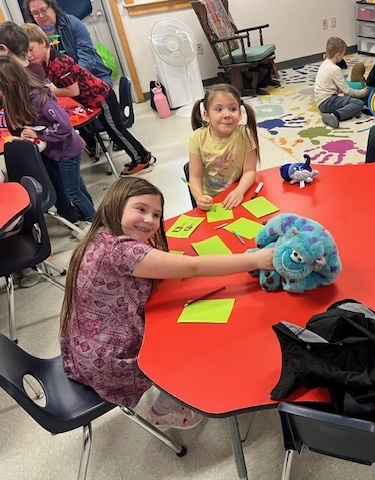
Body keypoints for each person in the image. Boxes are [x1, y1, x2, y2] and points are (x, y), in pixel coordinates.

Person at [59, 177, 274, 428]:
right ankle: (162, 411)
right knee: (190, 345)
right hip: (112, 361)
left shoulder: (99, 234)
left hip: (85, 350)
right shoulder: (121, 251)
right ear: (115, 205)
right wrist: (256, 260)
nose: (150, 220)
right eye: (141, 209)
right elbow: (193, 266)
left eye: (156, 214)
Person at [24, 24, 154, 176]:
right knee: (117, 131)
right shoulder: (47, 62)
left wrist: (50, 91)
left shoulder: (59, 63)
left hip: (101, 97)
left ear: (42, 42)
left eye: (31, 49)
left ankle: (141, 161)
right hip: (94, 99)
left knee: (116, 132)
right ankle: (143, 154)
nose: (29, 55)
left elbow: (73, 91)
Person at [0, 56, 94, 229]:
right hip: (56, 152)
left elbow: (64, 125)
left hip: (68, 151)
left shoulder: (38, 98)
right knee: (76, 187)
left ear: (8, 85)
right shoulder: (23, 99)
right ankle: (89, 217)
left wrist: (41, 133)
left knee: (72, 191)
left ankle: (93, 223)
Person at [189, 84, 259, 210]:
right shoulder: (197, 138)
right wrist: (199, 198)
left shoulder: (245, 134)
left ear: (240, 114)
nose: (227, 115)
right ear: (206, 115)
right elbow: (195, 177)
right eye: (219, 109)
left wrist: (239, 191)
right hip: (212, 201)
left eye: (233, 109)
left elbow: (250, 171)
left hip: (238, 193)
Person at [23, 0, 112, 86]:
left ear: (53, 7)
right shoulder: (32, 36)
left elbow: (87, 55)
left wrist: (74, 78)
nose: (41, 16)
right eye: (35, 13)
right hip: (59, 84)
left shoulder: (73, 23)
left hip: (92, 75)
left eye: (43, 10)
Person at [314, 36, 368, 129]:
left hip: (320, 102)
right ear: (338, 55)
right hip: (328, 102)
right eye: (343, 54)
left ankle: (333, 113)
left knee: (348, 99)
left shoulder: (325, 63)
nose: (343, 56)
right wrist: (362, 93)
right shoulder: (335, 69)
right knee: (358, 103)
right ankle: (335, 115)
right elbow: (346, 90)